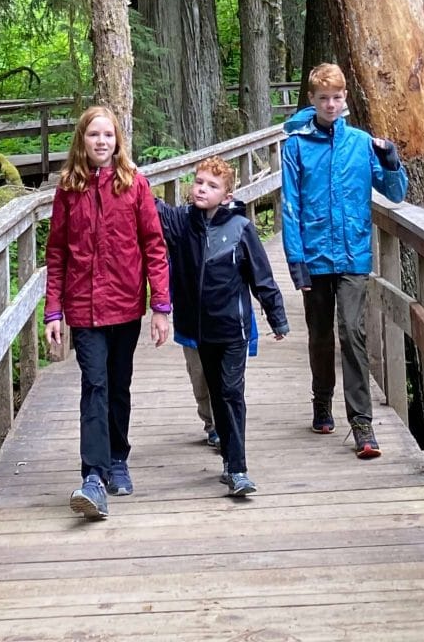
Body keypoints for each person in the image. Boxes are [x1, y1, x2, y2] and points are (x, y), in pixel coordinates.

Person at [44, 106, 172, 519]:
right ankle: (93, 477)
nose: (102, 142)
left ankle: (119, 459)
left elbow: (154, 245)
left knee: (118, 386)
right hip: (83, 308)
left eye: (109, 135)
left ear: (118, 141)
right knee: (94, 386)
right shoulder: (68, 189)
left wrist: (160, 306)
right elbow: (57, 253)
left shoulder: (134, 185)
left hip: (125, 303)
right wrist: (52, 312)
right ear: (82, 141)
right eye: (94, 135)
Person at [280, 62, 407, 458]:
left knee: (352, 332)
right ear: (312, 101)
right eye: (323, 99)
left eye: (337, 98)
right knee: (319, 336)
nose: (331, 105)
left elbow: (395, 192)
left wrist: (390, 160)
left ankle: (362, 424)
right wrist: (296, 260)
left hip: (353, 254)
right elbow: (290, 207)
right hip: (314, 256)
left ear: (345, 98)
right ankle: (321, 400)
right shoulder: (296, 146)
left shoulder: (360, 143)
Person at [157, 157, 289, 499]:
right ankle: (230, 461)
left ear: (227, 195)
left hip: (233, 328)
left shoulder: (240, 228)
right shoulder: (180, 222)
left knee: (231, 393)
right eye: (199, 182)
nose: (202, 189)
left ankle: (238, 467)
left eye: (212, 186)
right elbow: (147, 203)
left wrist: (277, 317)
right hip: (199, 330)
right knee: (217, 393)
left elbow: (262, 276)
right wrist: (118, 163)